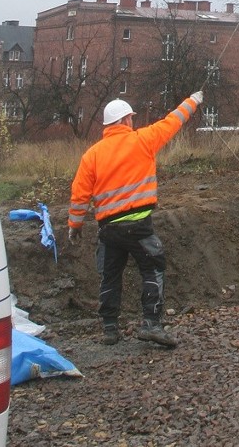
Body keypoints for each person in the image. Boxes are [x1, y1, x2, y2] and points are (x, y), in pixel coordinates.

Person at [67, 90, 203, 348]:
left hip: (108, 229)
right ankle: (151, 325)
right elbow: (173, 121)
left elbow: (79, 195)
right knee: (153, 268)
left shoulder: (92, 155)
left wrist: (74, 226)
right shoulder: (143, 140)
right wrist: (193, 101)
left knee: (110, 275)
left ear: (108, 125)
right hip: (138, 225)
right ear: (127, 121)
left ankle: (110, 330)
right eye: (131, 118)